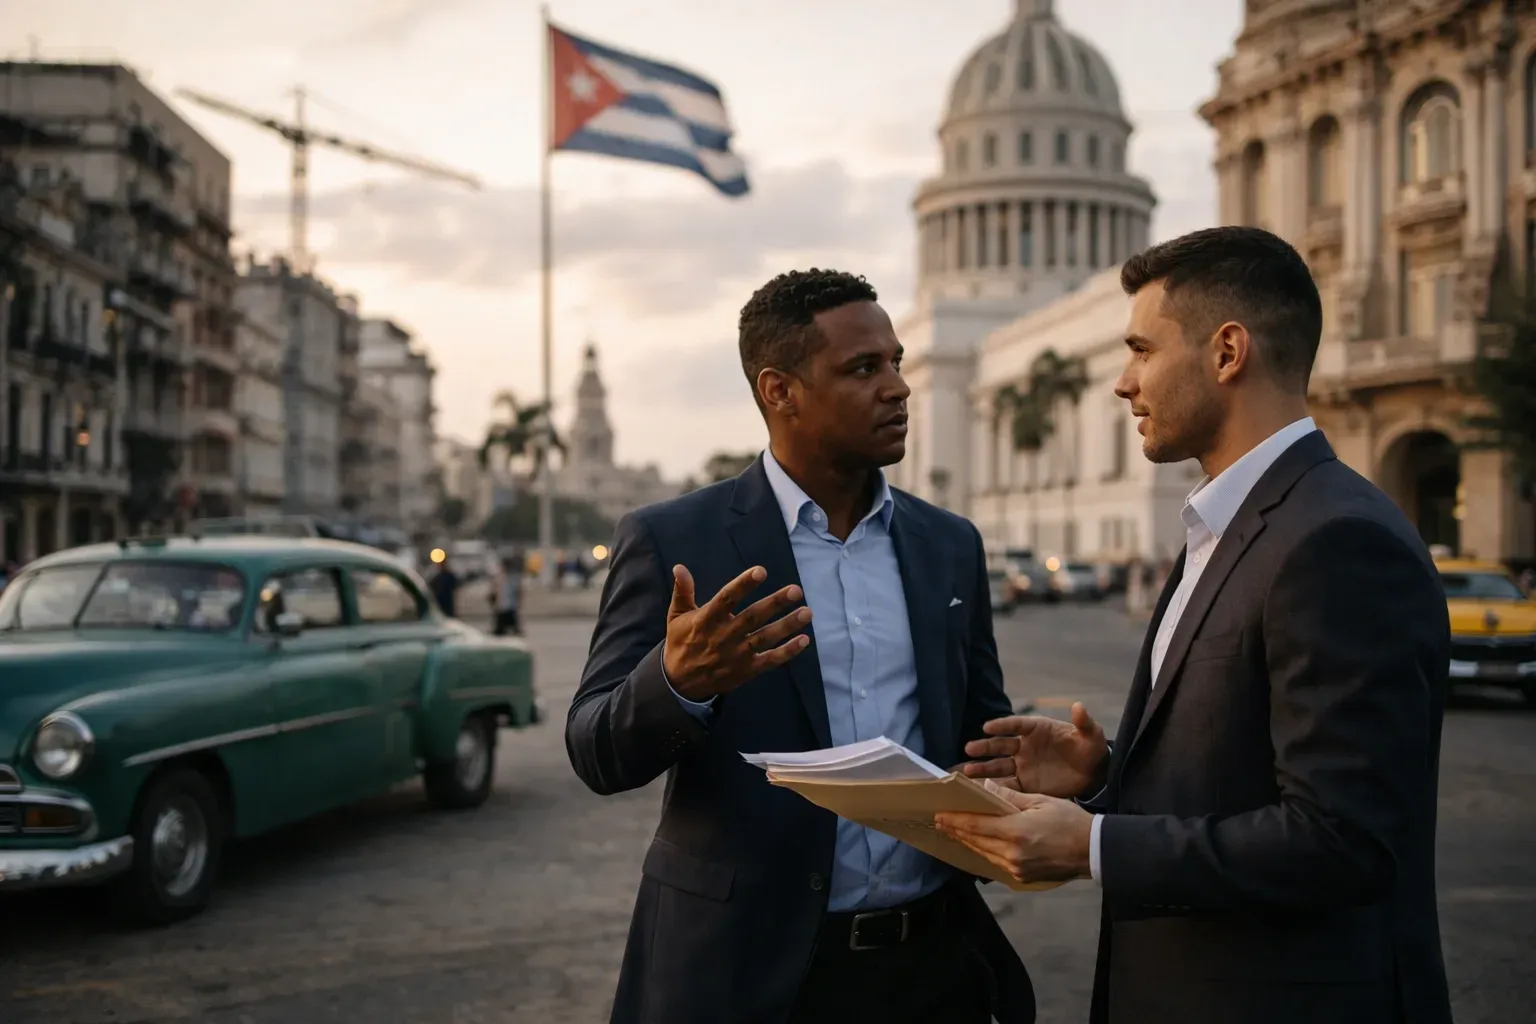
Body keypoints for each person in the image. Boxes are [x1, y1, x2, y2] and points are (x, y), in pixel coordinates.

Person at [937, 227, 1453, 1024]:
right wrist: (1106, 781)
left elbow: (1344, 841)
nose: (1122, 382)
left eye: (1142, 350)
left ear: (1227, 352)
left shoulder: (1334, 541)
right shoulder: (1232, 524)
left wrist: (1093, 845)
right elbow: (1247, 775)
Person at [566, 269, 1036, 1024]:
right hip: (744, 974)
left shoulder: (949, 545)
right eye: (862, 369)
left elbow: (982, 736)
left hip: (928, 971)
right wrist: (678, 681)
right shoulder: (674, 540)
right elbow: (595, 752)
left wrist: (1056, 777)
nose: (898, 388)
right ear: (779, 391)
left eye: (896, 362)